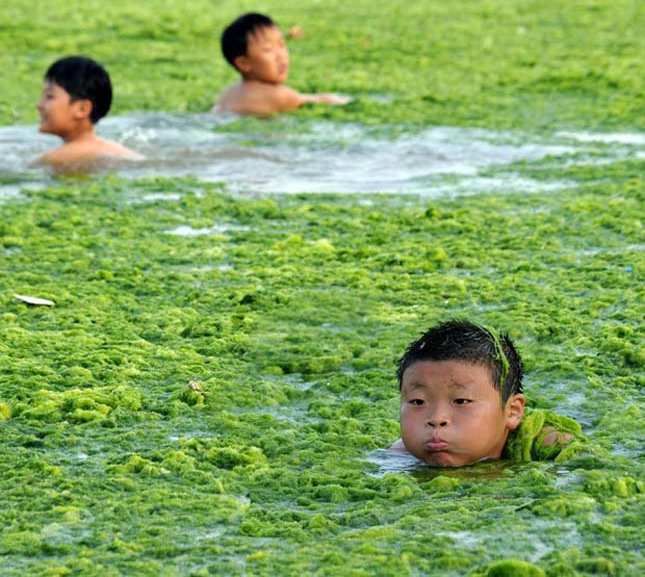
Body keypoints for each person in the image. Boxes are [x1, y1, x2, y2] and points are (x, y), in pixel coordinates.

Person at [391, 320, 582, 467]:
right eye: (418, 402)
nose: (437, 419)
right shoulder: (400, 455)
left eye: (461, 401)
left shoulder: (549, 443)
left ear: (512, 411)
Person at [214, 12, 351, 116]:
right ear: (244, 63)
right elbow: (320, 100)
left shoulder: (227, 93)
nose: (281, 55)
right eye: (268, 50)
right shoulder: (280, 95)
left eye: (281, 45)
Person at [35, 56, 142, 171]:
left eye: (49, 97)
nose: (39, 105)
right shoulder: (118, 150)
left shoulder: (54, 159)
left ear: (82, 109)